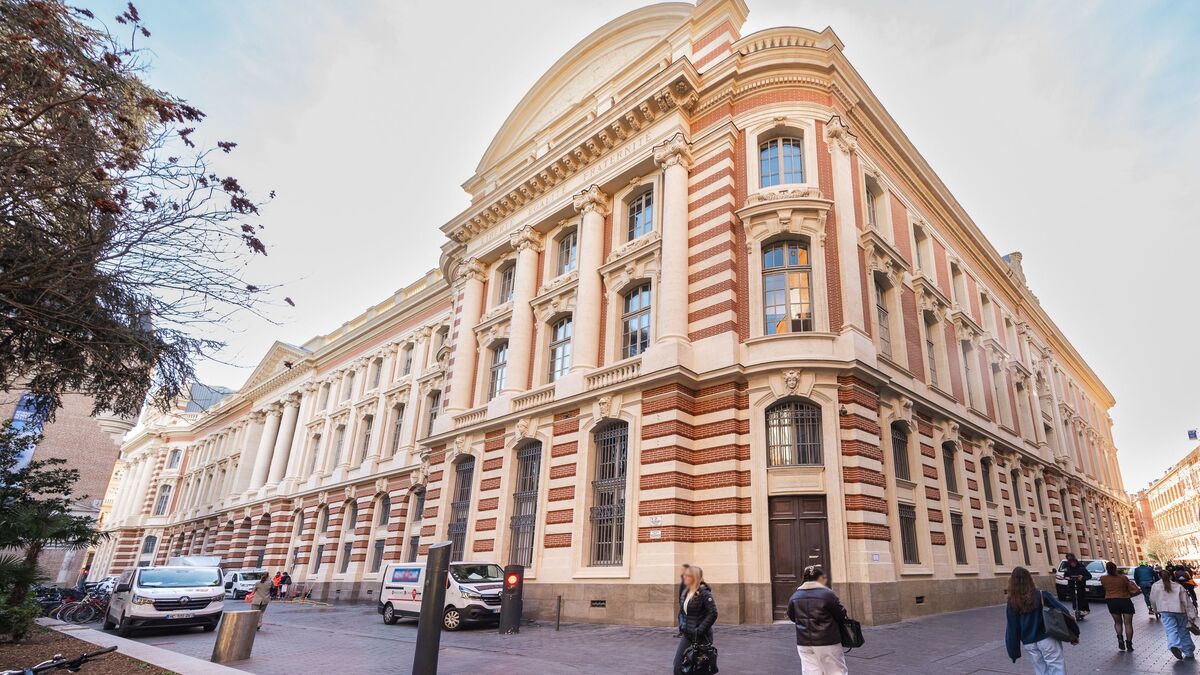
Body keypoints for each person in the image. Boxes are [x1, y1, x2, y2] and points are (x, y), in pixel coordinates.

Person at [1005, 566, 1075, 675]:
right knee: (1056, 667)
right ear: (1030, 579)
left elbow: (1012, 628)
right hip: (1047, 638)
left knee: (1041, 670)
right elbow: (1063, 612)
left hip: (1029, 642)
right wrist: (1074, 633)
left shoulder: (1012, 602)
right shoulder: (1041, 595)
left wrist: (1013, 652)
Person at [787, 565, 849, 675]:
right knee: (836, 672)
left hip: (804, 642)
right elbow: (841, 615)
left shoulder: (795, 596)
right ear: (820, 578)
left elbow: (792, 617)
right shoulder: (828, 594)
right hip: (827, 641)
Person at [672, 565, 717, 675]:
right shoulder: (686, 592)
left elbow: (713, 613)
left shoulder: (704, 593)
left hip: (702, 636)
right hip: (688, 635)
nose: (685, 577)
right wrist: (682, 627)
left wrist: (699, 630)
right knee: (678, 666)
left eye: (688, 576)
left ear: (695, 577)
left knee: (698, 667)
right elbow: (683, 612)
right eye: (685, 575)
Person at [1153, 568, 1198, 660]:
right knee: (1183, 630)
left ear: (1159, 576)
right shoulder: (1178, 586)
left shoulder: (1155, 586)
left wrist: (1155, 610)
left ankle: (1174, 645)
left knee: (1171, 630)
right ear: (1170, 576)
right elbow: (1186, 601)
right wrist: (1192, 614)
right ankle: (1188, 651)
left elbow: (1153, 600)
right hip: (1180, 611)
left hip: (1165, 611)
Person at [1100, 561, 1141, 651]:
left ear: (1107, 569)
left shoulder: (1103, 578)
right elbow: (1129, 587)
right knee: (1128, 623)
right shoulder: (1123, 578)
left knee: (1117, 623)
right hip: (1125, 600)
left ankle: (1120, 639)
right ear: (1115, 568)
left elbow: (1104, 587)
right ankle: (1129, 644)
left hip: (1111, 601)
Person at [1062, 554, 1091, 620]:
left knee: (1082, 598)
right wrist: (1068, 578)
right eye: (1071, 563)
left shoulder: (1081, 568)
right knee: (1073, 598)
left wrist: (1082, 577)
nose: (1072, 564)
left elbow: (1089, 576)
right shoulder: (1068, 569)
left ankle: (1084, 610)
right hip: (1072, 586)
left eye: (1073, 563)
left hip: (1080, 586)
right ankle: (1076, 609)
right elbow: (1065, 576)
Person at [675, 563, 691, 638]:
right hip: (682, 601)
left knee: (683, 617)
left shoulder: (688, 579)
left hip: (686, 602)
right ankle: (682, 632)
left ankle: (683, 632)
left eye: (682, 569)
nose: (681, 570)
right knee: (681, 617)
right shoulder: (683, 578)